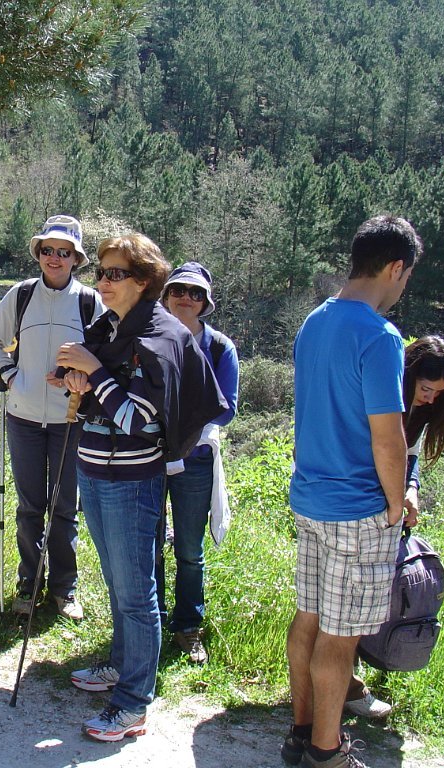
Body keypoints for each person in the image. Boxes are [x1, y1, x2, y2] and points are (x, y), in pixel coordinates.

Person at [56, 234, 225, 742]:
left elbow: (138, 421)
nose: (102, 282)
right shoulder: (109, 326)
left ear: (145, 281)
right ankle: (121, 663)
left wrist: (94, 372)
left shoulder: (162, 336)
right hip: (93, 468)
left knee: (136, 593)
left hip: (131, 479)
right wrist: (75, 381)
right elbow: (93, 392)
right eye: (100, 272)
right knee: (117, 582)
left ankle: (132, 704)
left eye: (115, 274)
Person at [283, 215, 422, 768]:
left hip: (310, 498)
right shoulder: (379, 336)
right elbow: (388, 437)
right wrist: (395, 503)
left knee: (309, 618)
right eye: (406, 276)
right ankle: (327, 750)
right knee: (339, 638)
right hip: (359, 508)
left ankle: (301, 731)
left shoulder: (314, 322)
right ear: (395, 268)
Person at [0, 215, 102, 621]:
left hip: (71, 419)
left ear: (76, 259)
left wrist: (83, 378)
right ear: (39, 254)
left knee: (65, 508)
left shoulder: (90, 302)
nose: (55, 257)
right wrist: (12, 377)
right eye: (48, 250)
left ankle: (65, 589)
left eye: (64, 252)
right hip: (24, 417)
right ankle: (28, 585)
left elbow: (108, 358)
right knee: (30, 507)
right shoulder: (21, 295)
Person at [344, 334, 444, 718]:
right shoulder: (379, 392)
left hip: (386, 512)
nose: (430, 399)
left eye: (439, 394)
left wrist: (410, 489)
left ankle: (342, 684)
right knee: (346, 602)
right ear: (408, 375)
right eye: (426, 389)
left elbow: (408, 457)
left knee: (362, 601)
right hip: (353, 505)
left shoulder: (422, 410)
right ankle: (343, 689)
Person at [160, 262, 239, 664]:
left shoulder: (220, 347)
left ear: (205, 302)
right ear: (166, 295)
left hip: (195, 460)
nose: (186, 299)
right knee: (149, 543)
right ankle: (151, 621)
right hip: (150, 456)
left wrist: (182, 419)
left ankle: (188, 627)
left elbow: (227, 409)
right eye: (178, 290)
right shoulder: (149, 336)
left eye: (195, 293)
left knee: (189, 549)